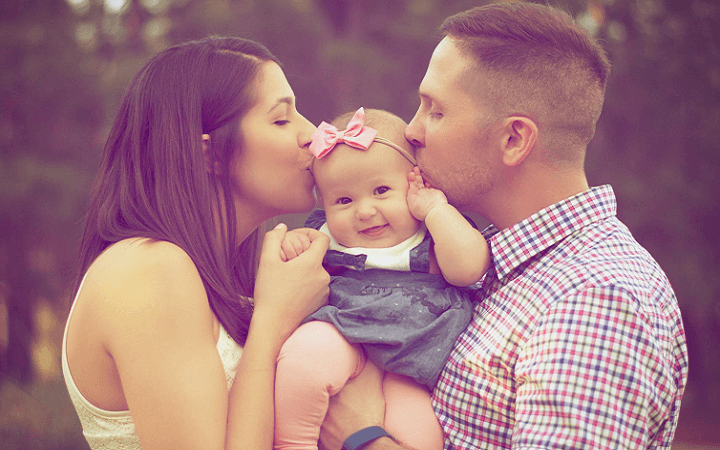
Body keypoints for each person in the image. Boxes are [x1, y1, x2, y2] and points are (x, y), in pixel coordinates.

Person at [319, 3, 689, 450]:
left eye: (435, 111)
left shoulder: (596, 297)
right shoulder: (484, 254)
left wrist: (361, 437)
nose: (411, 131)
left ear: (513, 139)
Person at [61, 37, 331, 450]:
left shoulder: (227, 277)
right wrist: (273, 320)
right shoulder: (148, 269)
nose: (312, 134)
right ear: (211, 156)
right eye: (281, 120)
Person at [273, 108, 490, 450]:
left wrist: (434, 209)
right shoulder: (325, 236)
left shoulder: (433, 232)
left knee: (423, 438)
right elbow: (289, 278)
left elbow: (469, 270)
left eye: (381, 190)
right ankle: (291, 444)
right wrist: (294, 245)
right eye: (343, 200)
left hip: (411, 366)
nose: (364, 210)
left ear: (416, 183)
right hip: (344, 332)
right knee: (302, 363)